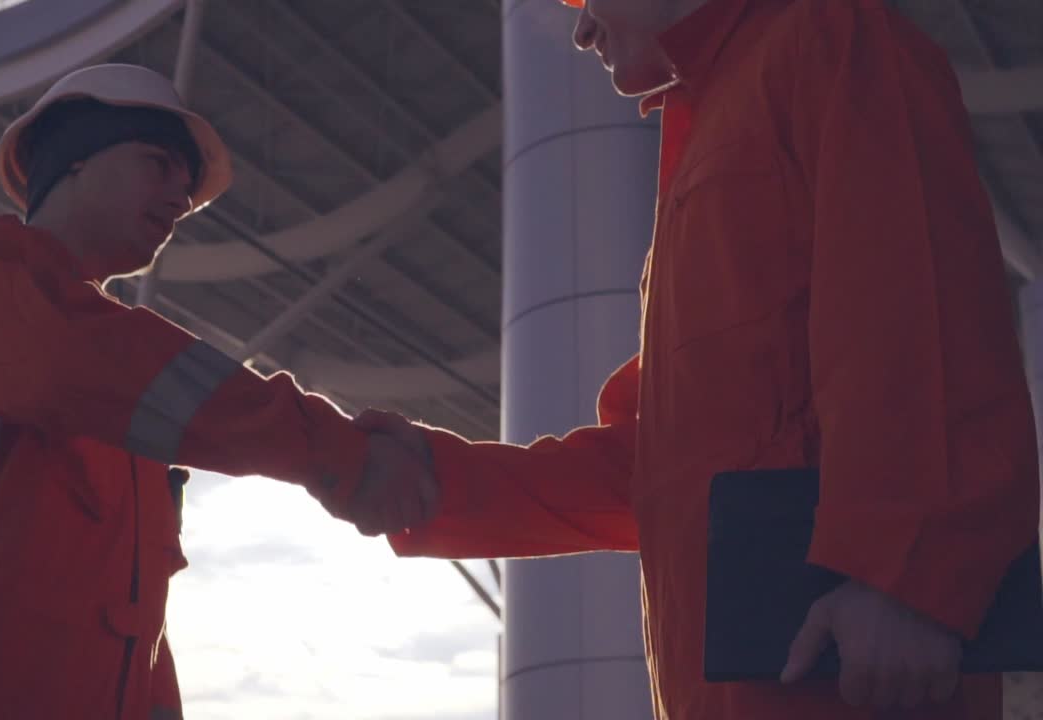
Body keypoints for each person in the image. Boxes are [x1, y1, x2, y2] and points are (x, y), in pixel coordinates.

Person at [366, 0, 1040, 718]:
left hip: (845, 675)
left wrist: (907, 576)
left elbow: (915, 292)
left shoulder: (828, 34)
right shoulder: (720, 123)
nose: (580, 29)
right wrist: (437, 481)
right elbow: (656, 466)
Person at [0, 63, 434, 720]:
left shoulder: (125, 409)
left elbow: (137, 631)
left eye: (187, 187)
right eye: (159, 164)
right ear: (76, 160)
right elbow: (63, 364)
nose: (180, 198)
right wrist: (344, 455)